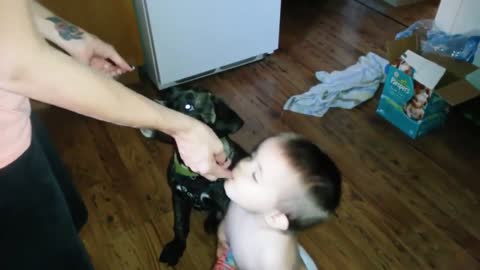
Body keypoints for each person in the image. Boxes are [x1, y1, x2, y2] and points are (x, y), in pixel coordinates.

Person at [0, 1, 231, 269]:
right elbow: (22, 67)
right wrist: (182, 127)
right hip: (6, 165)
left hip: (14, 124)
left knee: (64, 229)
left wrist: (76, 38)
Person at [214, 133, 342, 270]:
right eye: (252, 156)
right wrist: (222, 238)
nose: (242, 165)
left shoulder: (273, 260)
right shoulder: (244, 200)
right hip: (237, 255)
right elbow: (229, 221)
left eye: (255, 176)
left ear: (275, 217)